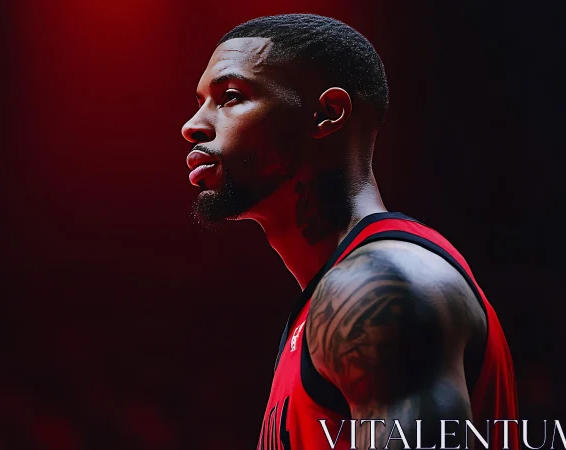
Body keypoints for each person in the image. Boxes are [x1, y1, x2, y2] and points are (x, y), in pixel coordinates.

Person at [181, 14, 519, 450]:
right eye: (199, 101)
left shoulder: (377, 287)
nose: (192, 125)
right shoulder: (334, 296)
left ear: (327, 114)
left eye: (229, 97)